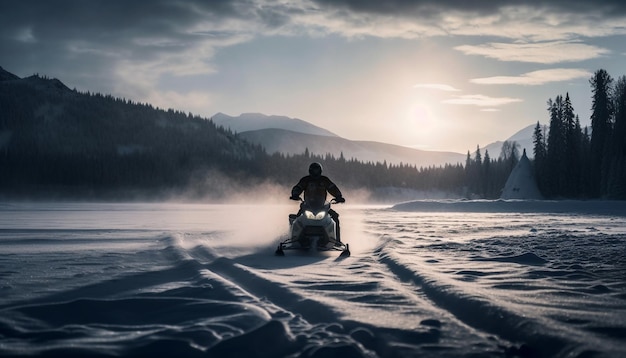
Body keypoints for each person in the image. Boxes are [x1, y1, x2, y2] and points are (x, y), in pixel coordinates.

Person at [290, 162, 345, 241]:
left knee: (335, 217)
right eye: (314, 170)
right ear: (310, 170)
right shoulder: (306, 180)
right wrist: (295, 194)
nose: (315, 172)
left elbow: (332, 187)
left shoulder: (324, 180)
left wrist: (338, 196)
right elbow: (299, 187)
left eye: (317, 170)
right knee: (297, 218)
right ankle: (294, 238)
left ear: (320, 171)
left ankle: (337, 240)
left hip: (322, 206)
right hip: (307, 206)